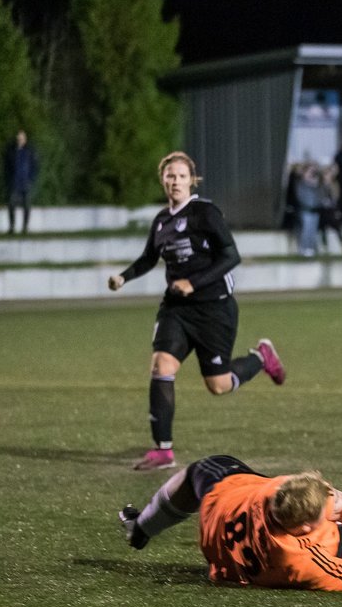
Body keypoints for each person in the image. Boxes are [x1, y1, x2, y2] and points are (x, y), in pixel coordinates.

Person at [107, 152, 286, 471]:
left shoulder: (206, 213)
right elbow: (149, 258)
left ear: (192, 180)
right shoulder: (161, 220)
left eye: (180, 176)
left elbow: (232, 256)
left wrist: (195, 282)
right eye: (169, 176)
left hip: (214, 309)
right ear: (163, 180)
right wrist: (124, 277)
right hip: (176, 309)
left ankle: (261, 357)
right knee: (161, 364)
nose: (175, 181)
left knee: (217, 385)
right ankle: (162, 450)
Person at [118, 455, 342, 591]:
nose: (333, 502)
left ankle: (142, 528)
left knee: (201, 469)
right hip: (232, 557)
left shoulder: (279, 490)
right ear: (307, 528)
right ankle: (142, 527)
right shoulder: (302, 560)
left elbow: (336, 499)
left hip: (219, 511)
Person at [4, 129, 38, 235]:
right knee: (11, 205)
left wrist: (31, 179)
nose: (20, 140)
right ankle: (12, 227)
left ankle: (25, 227)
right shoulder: (11, 151)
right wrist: (8, 179)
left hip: (26, 183)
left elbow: (35, 167)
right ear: (16, 139)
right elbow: (7, 168)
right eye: (18, 138)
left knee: (27, 206)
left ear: (25, 139)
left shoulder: (30, 151)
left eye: (22, 138)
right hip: (14, 183)